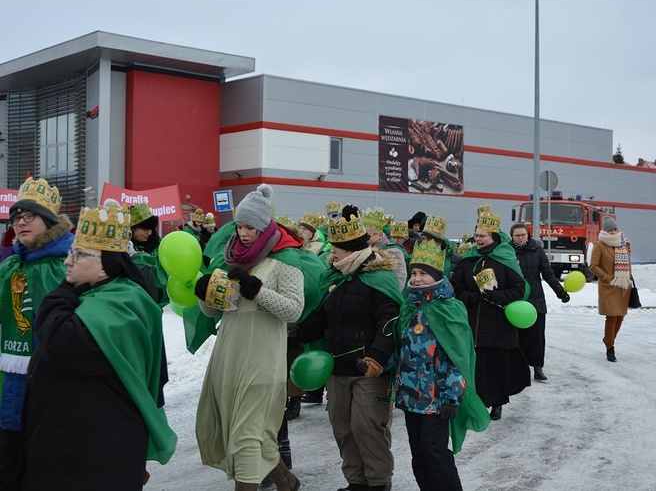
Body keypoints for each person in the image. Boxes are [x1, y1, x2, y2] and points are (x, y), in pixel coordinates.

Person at [19, 199, 176, 490]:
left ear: (104, 267)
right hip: (77, 449)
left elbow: (60, 342)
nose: (68, 261)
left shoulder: (122, 302)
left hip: (96, 454)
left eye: (78, 255)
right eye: (70, 253)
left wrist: (62, 292)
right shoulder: (97, 295)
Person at [192, 184, 304, 491]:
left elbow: (294, 310)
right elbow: (214, 313)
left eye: (250, 227)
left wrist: (257, 290)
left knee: (247, 435)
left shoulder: (286, 262)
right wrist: (204, 295)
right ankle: (287, 482)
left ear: (264, 227)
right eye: (240, 226)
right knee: (253, 433)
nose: (243, 233)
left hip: (263, 358)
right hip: (229, 356)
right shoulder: (231, 262)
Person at [297, 204, 402, 491]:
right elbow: (321, 317)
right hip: (337, 366)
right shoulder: (334, 277)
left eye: (338, 248)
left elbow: (391, 320)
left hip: (369, 368)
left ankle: (378, 482)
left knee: (368, 426)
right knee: (342, 427)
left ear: (353, 248)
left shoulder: (379, 277)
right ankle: (356, 481)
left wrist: (378, 356)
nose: (333, 253)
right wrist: (296, 333)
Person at [392, 239, 490, 491]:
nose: (416, 278)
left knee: (434, 450)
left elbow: (459, 357)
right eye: (414, 273)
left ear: (437, 275)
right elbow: (400, 349)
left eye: (423, 273)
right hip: (411, 395)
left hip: (438, 397)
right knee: (418, 454)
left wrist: (452, 397)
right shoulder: (409, 306)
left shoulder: (450, 308)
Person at [0, 177, 74, 490]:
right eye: (16, 217)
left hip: (54, 385)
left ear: (49, 221)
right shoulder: (10, 266)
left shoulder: (69, 265)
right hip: (11, 383)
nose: (20, 222)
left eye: (29, 216)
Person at [450, 207, 530, 421]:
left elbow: (519, 289)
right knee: (477, 368)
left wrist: (496, 296)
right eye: (476, 235)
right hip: (473, 321)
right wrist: (469, 296)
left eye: (482, 236)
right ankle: (479, 404)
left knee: (497, 366)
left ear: (493, 237)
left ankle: (498, 403)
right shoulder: (468, 260)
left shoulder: (505, 258)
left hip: (499, 324)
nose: (478, 239)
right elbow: (455, 286)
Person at [509, 223, 570, 381]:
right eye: (517, 235)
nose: (520, 238)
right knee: (518, 337)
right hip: (515, 300)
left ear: (528, 235)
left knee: (537, 337)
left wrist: (560, 291)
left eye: (523, 235)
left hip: (536, 299)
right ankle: (519, 369)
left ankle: (538, 367)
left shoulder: (537, 250)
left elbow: (548, 274)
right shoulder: (507, 251)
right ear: (512, 236)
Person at [589, 217, 633, 363]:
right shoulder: (599, 245)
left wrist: (629, 280)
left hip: (623, 286)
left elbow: (628, 264)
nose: (613, 232)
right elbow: (593, 266)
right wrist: (608, 278)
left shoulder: (624, 243)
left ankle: (609, 338)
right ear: (604, 231)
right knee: (612, 317)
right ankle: (610, 348)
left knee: (620, 316)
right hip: (609, 286)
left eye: (614, 229)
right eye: (610, 230)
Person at [363, 207, 408, 289]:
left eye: (367, 236)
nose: (364, 239)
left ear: (380, 235)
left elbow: (399, 282)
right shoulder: (363, 250)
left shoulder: (394, 252)